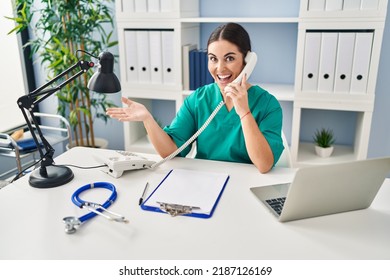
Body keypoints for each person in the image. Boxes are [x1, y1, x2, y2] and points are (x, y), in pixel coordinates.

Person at [106, 23, 284, 173]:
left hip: (246, 186)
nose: (220, 68)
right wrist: (147, 119)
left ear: (247, 61)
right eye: (213, 59)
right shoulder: (198, 99)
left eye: (229, 58)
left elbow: (264, 165)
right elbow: (171, 152)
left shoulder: (268, 104)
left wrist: (244, 112)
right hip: (205, 182)